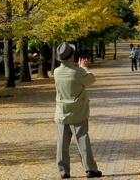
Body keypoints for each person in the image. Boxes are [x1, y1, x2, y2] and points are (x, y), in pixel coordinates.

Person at [53, 42, 103, 179]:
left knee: (62, 144)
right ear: (71, 57)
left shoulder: (56, 72)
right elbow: (91, 80)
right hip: (78, 112)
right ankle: (90, 169)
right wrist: (85, 68)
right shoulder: (78, 72)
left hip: (61, 112)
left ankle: (63, 172)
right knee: (82, 141)